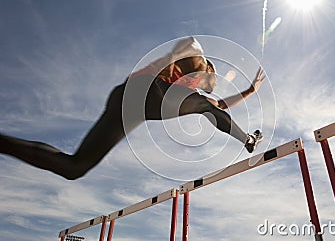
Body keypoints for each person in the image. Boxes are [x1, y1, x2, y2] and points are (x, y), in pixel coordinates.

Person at [0, 37, 265, 180]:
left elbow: (219, 107)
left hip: (124, 103)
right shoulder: (197, 60)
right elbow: (189, 43)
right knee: (205, 106)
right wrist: (172, 61)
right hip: (145, 89)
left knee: (74, 168)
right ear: (207, 70)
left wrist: (250, 91)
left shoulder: (191, 91)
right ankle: (248, 139)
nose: (206, 86)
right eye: (208, 82)